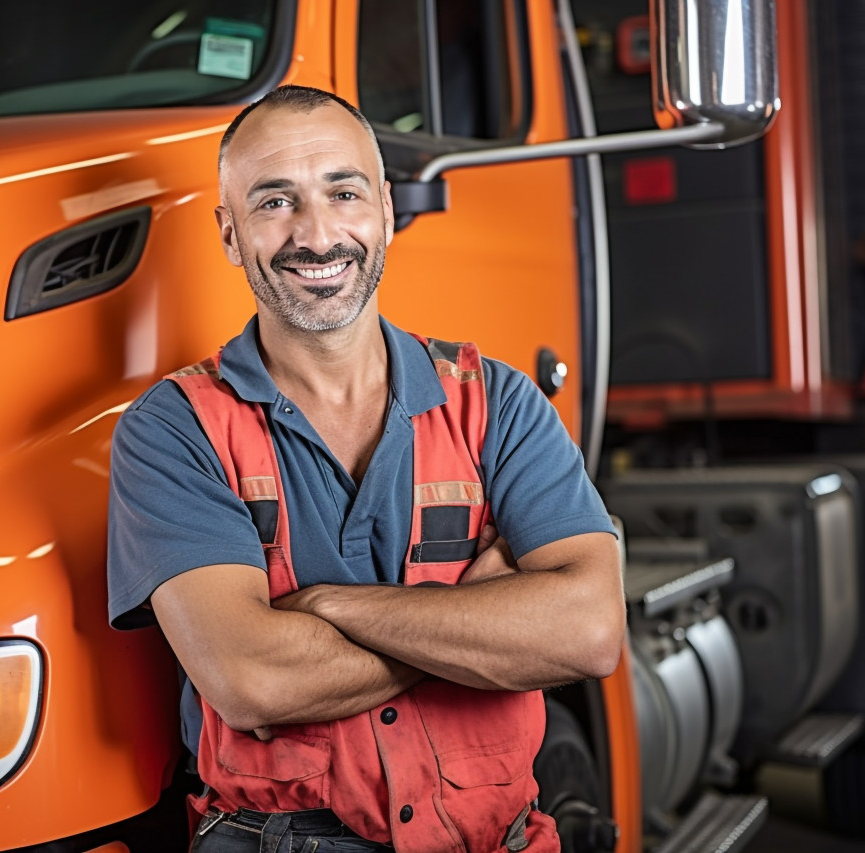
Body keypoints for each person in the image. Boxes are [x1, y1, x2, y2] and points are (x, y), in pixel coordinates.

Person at [107, 84, 624, 853]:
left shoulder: (498, 402)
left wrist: (329, 606)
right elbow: (252, 678)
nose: (317, 236)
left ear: (384, 209)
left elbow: (588, 630)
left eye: (342, 193)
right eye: (275, 202)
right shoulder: (175, 428)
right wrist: (477, 618)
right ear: (230, 233)